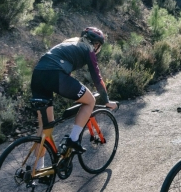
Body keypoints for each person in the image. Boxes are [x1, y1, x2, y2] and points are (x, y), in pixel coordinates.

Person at [31, 27, 119, 166]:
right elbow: (97, 78)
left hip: (38, 75)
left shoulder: (69, 43)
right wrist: (107, 101)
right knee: (90, 101)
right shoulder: (88, 49)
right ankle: (73, 140)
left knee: (45, 126)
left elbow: (62, 68)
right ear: (96, 45)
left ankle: (38, 169)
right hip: (55, 75)